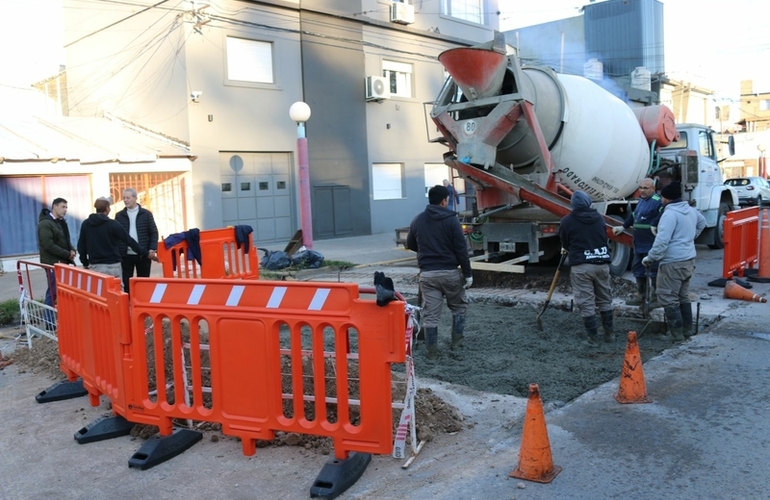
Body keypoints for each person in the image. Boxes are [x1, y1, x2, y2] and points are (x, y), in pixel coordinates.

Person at [406, 185, 473, 359]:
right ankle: (457, 347)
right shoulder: (451, 220)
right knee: (458, 308)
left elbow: (411, 244)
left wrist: (426, 251)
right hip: (450, 274)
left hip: (428, 276)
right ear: (444, 201)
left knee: (431, 316)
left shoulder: (418, 220)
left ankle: (431, 354)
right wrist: (468, 274)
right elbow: (461, 249)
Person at [642, 182, 706, 341]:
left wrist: (650, 258)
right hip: (688, 259)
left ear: (667, 198)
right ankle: (687, 331)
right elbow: (702, 223)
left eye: (663, 196)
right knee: (682, 296)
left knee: (668, 297)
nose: (661, 199)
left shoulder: (670, 214)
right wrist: (690, 238)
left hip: (672, 262)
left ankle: (675, 334)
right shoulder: (690, 211)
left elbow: (662, 241)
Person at [559, 190, 614, 345]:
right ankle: (610, 334)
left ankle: (593, 338)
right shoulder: (599, 218)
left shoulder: (567, 221)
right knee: (604, 299)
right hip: (602, 264)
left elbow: (565, 242)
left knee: (586, 302)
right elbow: (603, 236)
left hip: (582, 267)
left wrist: (567, 248)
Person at [612, 178, 663, 307]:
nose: (642, 191)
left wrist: (654, 224)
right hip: (639, 243)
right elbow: (634, 216)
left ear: (653, 188)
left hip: (651, 243)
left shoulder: (657, 202)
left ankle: (655, 299)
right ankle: (642, 296)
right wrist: (623, 226)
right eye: (640, 188)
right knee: (638, 269)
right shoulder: (641, 201)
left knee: (653, 271)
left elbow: (662, 215)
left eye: (645, 188)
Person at [77, 197, 148, 280]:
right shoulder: (112, 224)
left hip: (95, 266)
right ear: (107, 209)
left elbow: (81, 246)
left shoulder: (86, 224)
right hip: (113, 266)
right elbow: (128, 240)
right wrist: (145, 253)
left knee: (98, 292)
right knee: (116, 291)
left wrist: (85, 263)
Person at [37, 198, 76, 329]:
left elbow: (64, 239)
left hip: (62, 262)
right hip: (52, 263)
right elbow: (48, 245)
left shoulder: (59, 223)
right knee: (53, 292)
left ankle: (61, 320)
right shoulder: (46, 224)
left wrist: (71, 250)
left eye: (66, 207)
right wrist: (67, 253)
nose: (65, 210)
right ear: (54, 207)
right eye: (63, 207)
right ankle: (49, 323)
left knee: (61, 292)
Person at [115, 188, 158, 293]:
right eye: (124, 198)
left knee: (143, 283)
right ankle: (127, 306)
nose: (125, 200)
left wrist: (152, 249)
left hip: (143, 254)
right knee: (126, 283)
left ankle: (142, 305)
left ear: (135, 198)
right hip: (125, 255)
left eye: (128, 198)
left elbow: (153, 232)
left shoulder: (146, 214)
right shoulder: (119, 215)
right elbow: (116, 235)